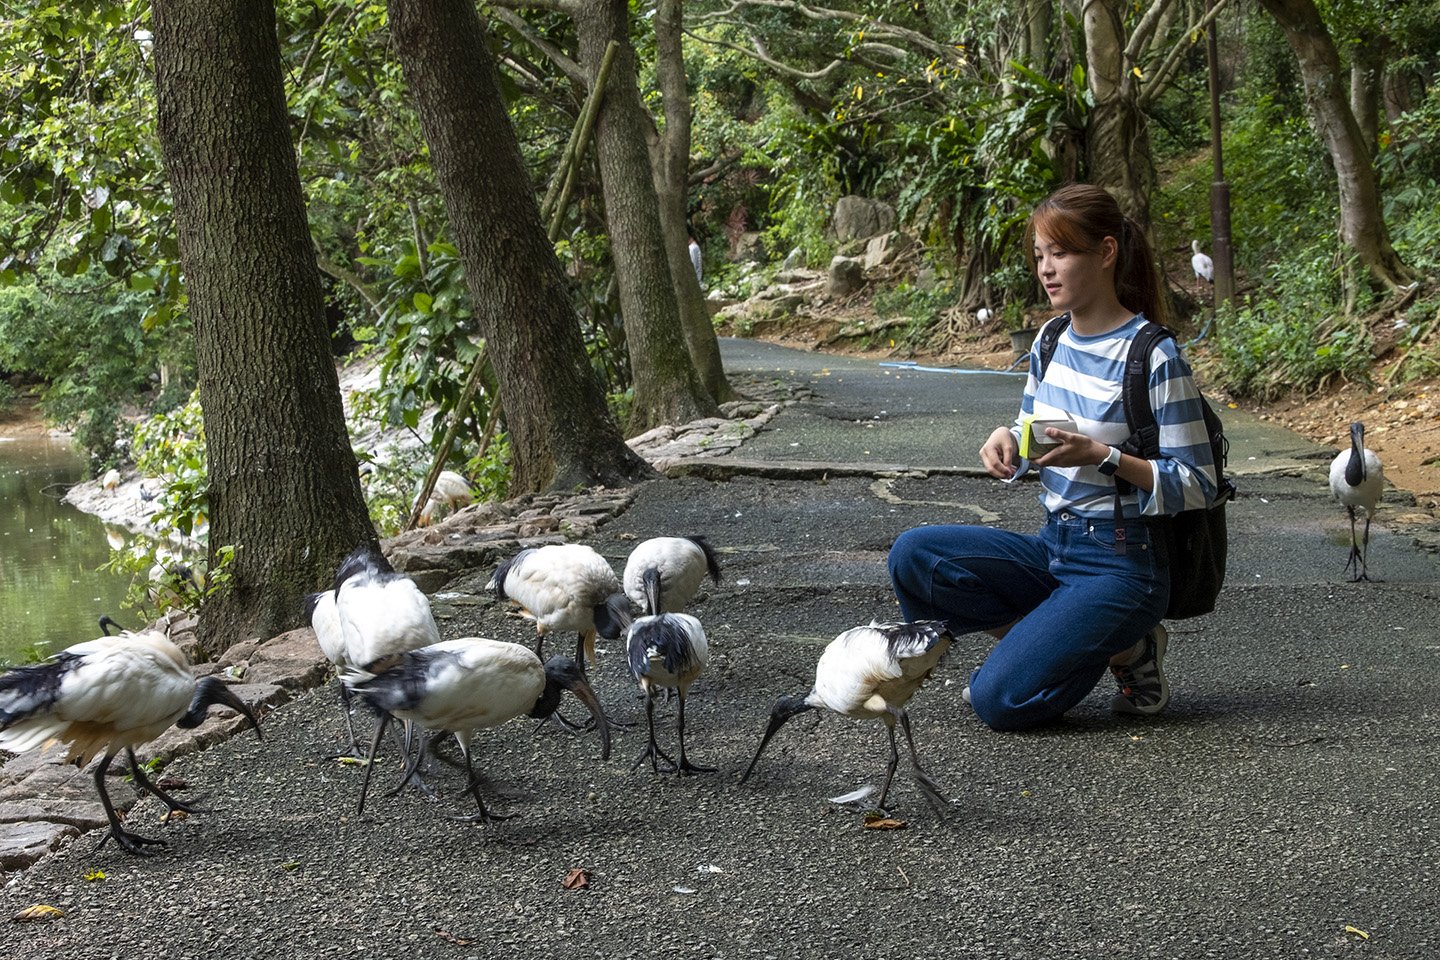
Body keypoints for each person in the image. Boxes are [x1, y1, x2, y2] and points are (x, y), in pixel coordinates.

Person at [887, 183, 1220, 731]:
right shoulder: (1049, 339)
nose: (1045, 269)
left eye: (1060, 253)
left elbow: (1198, 483)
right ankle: (1113, 646)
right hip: (1055, 545)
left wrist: (1104, 456)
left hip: (1123, 563)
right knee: (915, 555)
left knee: (998, 702)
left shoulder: (1153, 355)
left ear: (1106, 252)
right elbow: (1033, 437)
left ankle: (1113, 639)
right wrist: (1008, 441)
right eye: (1040, 255)